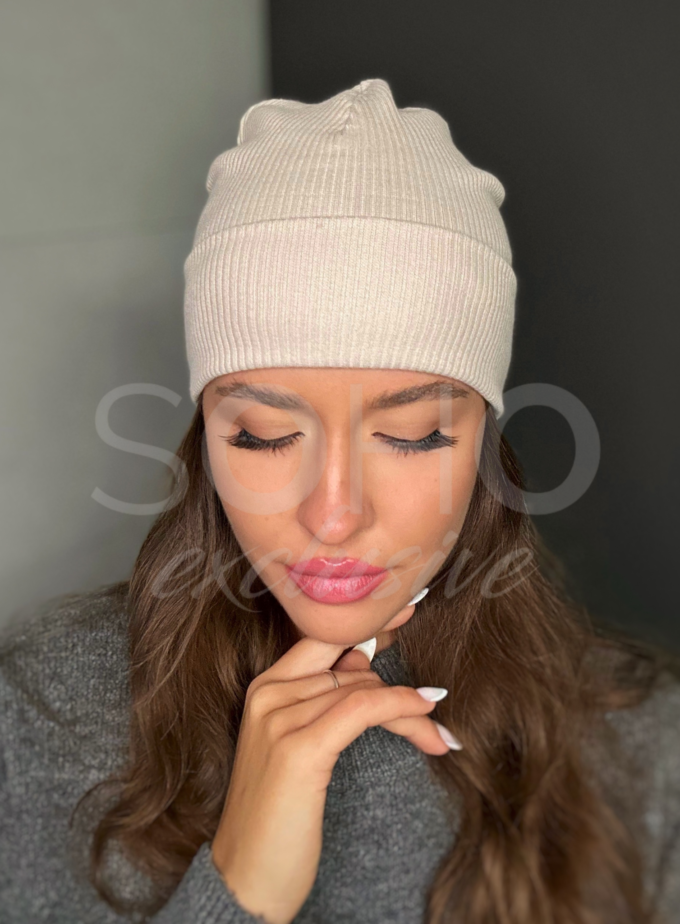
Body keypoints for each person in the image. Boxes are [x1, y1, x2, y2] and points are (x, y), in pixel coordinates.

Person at [0, 78, 678, 924]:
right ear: (205, 437)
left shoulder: (637, 751)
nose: (332, 516)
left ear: (484, 441)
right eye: (262, 436)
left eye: (414, 436)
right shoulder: (48, 714)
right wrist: (239, 886)